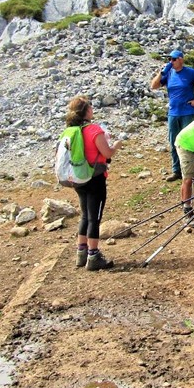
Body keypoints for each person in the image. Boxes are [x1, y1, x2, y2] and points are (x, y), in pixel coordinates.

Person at [63, 95, 122, 270]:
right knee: (95, 217)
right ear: (87, 111)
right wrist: (116, 145)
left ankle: (81, 253)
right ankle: (93, 256)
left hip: (78, 178)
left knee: (85, 215)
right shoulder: (94, 129)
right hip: (95, 178)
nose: (92, 109)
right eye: (90, 107)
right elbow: (107, 153)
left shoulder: (71, 130)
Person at [150, 49, 194, 182]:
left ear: (181, 59)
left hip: (187, 112)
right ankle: (176, 171)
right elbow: (154, 86)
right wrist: (161, 73)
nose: (170, 62)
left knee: (189, 142)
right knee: (174, 142)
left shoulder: (190, 72)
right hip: (173, 113)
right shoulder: (169, 73)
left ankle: (190, 172)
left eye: (173, 59)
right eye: (169, 59)